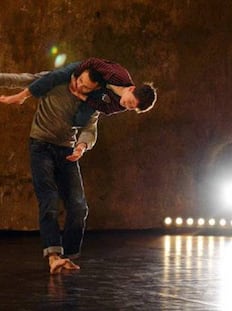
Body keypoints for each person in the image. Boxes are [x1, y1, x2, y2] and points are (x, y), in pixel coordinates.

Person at [0, 61, 157, 274]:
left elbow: (89, 128)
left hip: (67, 151)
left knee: (79, 206)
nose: (79, 87)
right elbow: (21, 79)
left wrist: (82, 146)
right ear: (77, 73)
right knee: (49, 199)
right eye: (79, 81)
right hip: (41, 146)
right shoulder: (55, 80)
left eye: (86, 87)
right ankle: (53, 257)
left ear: (94, 89)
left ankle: (69, 256)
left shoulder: (92, 103)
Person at [0, 57, 157, 125]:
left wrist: (82, 96)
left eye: (130, 107)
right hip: (86, 71)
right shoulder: (117, 75)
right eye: (129, 101)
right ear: (131, 88)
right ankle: (21, 96)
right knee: (54, 76)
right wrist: (76, 76)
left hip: (95, 94)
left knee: (81, 120)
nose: (126, 105)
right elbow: (92, 62)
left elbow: (104, 108)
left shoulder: (120, 106)